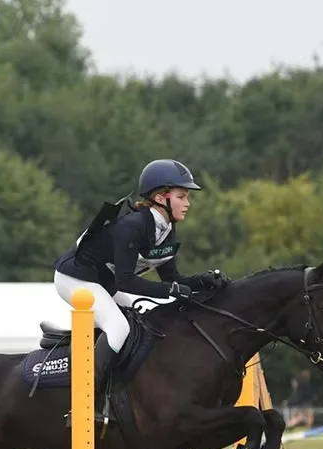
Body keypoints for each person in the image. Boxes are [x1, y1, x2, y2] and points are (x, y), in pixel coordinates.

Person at [53, 159, 230, 419]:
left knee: (148, 320)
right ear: (161, 197)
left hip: (104, 282)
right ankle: (85, 402)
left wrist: (204, 280)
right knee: (118, 327)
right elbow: (127, 282)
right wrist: (172, 290)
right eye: (182, 196)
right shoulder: (132, 227)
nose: (188, 203)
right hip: (75, 278)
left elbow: (173, 278)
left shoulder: (166, 229)